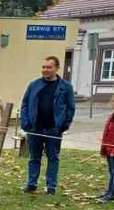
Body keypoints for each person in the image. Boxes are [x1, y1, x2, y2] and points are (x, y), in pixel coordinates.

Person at [19, 56, 76, 195]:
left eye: (49, 67)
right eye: (43, 67)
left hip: (54, 129)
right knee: (34, 157)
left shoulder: (65, 87)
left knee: (53, 157)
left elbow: (70, 107)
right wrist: (25, 123)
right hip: (35, 128)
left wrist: (64, 125)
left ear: (57, 68)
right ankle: (32, 184)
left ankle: (51, 186)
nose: (45, 70)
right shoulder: (34, 85)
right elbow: (25, 104)